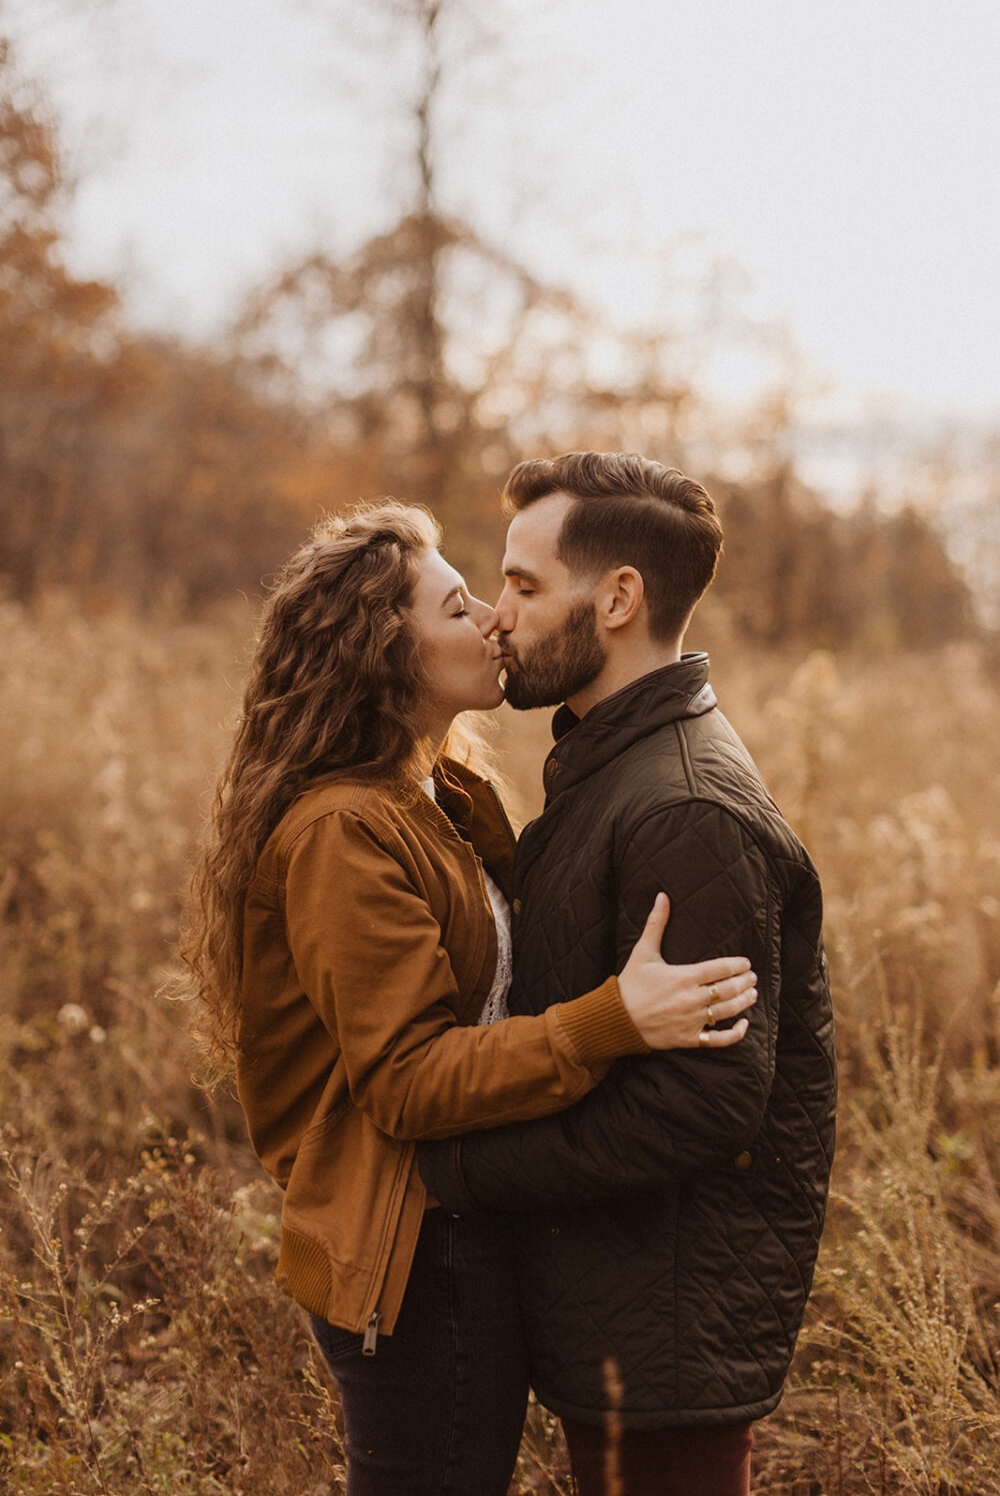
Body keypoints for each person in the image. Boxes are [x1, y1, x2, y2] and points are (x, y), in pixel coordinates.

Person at [180, 500, 760, 1496]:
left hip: (459, 1220)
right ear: (385, 654)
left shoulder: (442, 793)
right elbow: (407, 1081)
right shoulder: (343, 832)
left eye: (503, 593)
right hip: (410, 1255)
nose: (495, 619)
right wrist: (614, 1019)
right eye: (461, 608)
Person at [419, 452, 838, 1496]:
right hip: (621, 1298)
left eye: (523, 584)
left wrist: (457, 1172)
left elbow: (700, 1109)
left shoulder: (682, 809)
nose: (497, 615)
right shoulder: (607, 765)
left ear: (616, 599)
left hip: (668, 1327)